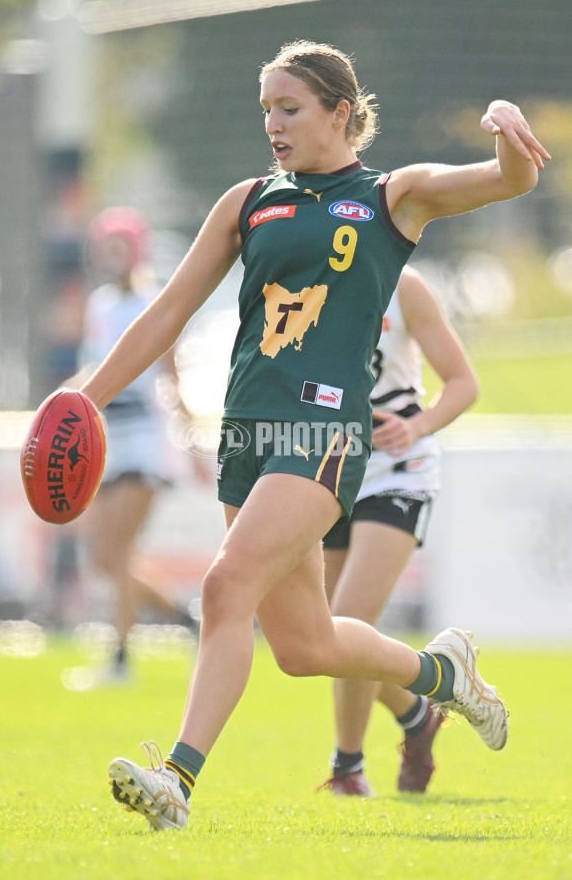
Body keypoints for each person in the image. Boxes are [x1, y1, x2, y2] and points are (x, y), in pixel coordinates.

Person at [75, 41, 549, 829]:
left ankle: (176, 783)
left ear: (340, 111)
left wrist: (504, 128)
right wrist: (89, 399)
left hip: (323, 428)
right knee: (303, 646)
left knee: (225, 587)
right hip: (248, 432)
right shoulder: (248, 199)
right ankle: (442, 674)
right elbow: (167, 312)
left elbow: (511, 178)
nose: (273, 124)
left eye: (288, 108)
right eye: (265, 109)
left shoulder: (394, 194)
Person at [318, 264, 478, 798]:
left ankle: (348, 768)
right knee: (318, 635)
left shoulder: (404, 285)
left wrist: (416, 426)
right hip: (330, 460)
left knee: (348, 619)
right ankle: (417, 714)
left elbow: (463, 384)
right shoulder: (300, 278)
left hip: (397, 464)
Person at [72, 207, 199, 681]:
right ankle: (187, 618)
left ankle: (120, 658)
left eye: (121, 247)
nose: (113, 257)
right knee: (105, 558)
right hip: (102, 436)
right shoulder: (99, 305)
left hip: (144, 435)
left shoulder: (154, 301)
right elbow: (90, 371)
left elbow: (172, 377)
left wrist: (193, 445)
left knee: (119, 551)